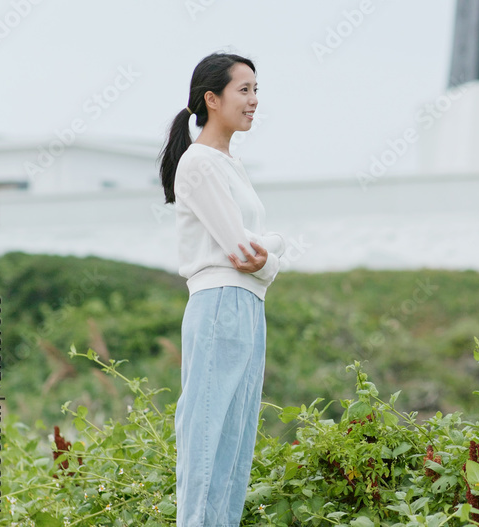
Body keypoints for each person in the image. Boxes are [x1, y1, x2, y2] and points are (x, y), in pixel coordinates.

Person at [158, 51, 286, 526]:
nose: (254, 101)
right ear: (212, 99)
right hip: (218, 303)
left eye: (256, 90)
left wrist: (265, 252)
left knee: (235, 440)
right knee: (207, 437)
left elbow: (254, 253)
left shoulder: (229, 163)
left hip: (247, 304)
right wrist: (279, 247)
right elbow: (241, 250)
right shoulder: (200, 164)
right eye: (244, 90)